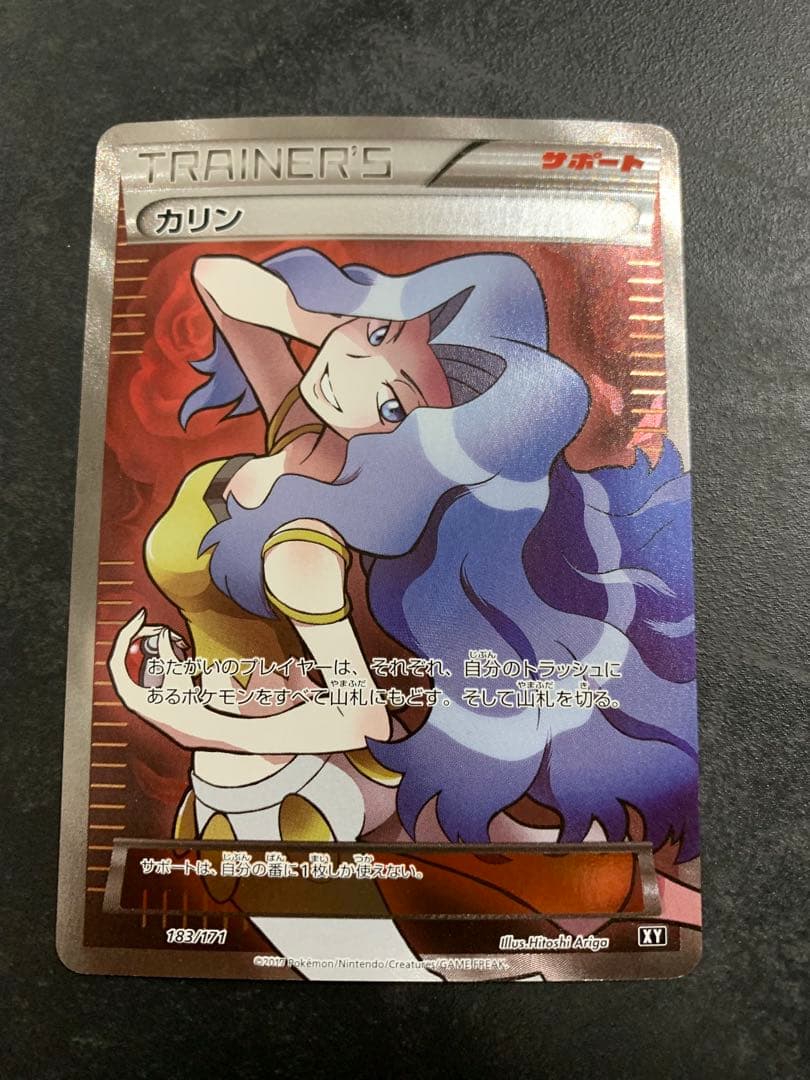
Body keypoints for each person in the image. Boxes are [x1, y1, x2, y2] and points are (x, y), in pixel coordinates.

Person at [110, 247, 698, 978]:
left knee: (384, 978)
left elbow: (363, 720)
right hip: (244, 768)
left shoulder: (305, 547)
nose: (352, 379)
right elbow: (216, 282)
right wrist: (347, 323)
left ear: (411, 444)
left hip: (279, 788)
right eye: (380, 341)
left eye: (394, 404)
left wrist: (179, 718)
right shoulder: (299, 434)